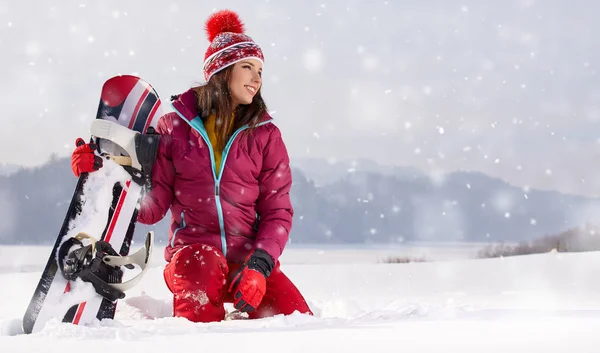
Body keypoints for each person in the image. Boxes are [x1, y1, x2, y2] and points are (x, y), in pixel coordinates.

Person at [70, 9, 313, 322]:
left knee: (298, 321)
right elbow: (151, 209)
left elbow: (278, 211)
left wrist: (260, 264)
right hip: (193, 260)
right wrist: (102, 172)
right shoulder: (174, 129)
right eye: (248, 67)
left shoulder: (266, 136)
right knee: (201, 264)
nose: (257, 78)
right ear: (221, 71)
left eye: (261, 71)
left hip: (248, 265)